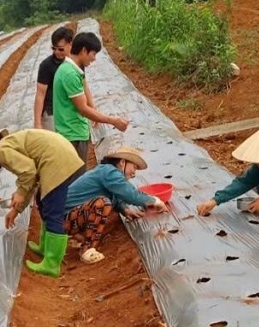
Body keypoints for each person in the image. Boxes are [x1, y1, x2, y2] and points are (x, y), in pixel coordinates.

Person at [0, 128, 84, 277]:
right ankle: (45, 248)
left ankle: (52, 264)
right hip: (60, 155)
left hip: (55, 161)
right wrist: (16, 210)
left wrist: (20, 193)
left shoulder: (1, 151)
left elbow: (28, 172)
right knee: (42, 202)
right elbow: (31, 180)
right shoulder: (6, 145)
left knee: (53, 211)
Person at [62, 146, 168, 264]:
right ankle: (87, 250)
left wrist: (124, 209)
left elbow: (114, 195)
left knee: (106, 204)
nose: (134, 173)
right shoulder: (110, 171)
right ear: (122, 162)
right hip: (63, 219)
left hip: (66, 217)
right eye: (134, 167)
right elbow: (129, 194)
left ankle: (77, 237)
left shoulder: (105, 171)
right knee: (103, 204)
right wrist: (154, 201)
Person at [52, 31, 129, 169]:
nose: (94, 59)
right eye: (93, 54)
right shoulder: (70, 74)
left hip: (73, 132)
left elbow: (84, 89)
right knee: (76, 176)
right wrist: (113, 121)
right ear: (84, 50)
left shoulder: (71, 69)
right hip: (73, 135)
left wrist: (94, 111)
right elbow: (82, 109)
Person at [34, 26, 74, 131]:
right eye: (54, 48)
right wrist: (37, 123)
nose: (57, 52)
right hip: (52, 113)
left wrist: (92, 108)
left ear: (70, 44)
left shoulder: (76, 62)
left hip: (71, 110)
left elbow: (84, 86)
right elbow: (40, 94)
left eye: (61, 49)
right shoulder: (46, 65)